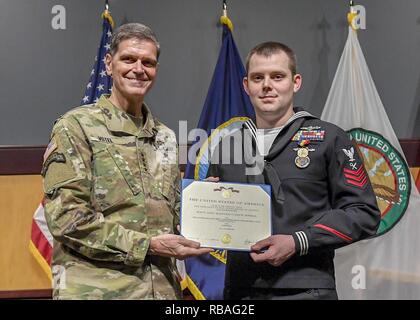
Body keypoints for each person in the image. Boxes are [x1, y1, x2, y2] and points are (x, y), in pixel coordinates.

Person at [42, 23, 212, 300]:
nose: (139, 68)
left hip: (164, 291)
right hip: (100, 292)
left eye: (148, 62)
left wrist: (204, 202)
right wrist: (148, 246)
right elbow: (67, 219)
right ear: (109, 64)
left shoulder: (165, 137)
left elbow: (171, 218)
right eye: (129, 59)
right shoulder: (76, 127)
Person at [206, 41, 381, 300]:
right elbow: (215, 225)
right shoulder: (226, 146)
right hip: (241, 289)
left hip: (306, 288)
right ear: (246, 86)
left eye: (277, 76)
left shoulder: (330, 138)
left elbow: (365, 214)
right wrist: (207, 208)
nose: (267, 85)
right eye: (258, 77)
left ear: (295, 82)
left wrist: (298, 241)